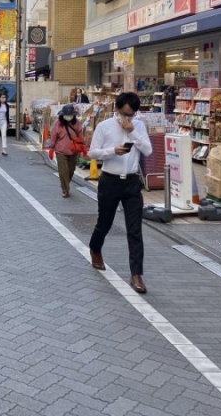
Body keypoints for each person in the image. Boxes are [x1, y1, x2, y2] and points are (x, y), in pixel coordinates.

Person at [87, 92, 153, 294]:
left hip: (132, 182)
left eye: (131, 114)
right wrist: (112, 151)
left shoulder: (139, 126)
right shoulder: (104, 127)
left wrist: (132, 131)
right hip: (110, 180)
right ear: (116, 109)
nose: (127, 118)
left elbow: (148, 151)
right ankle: (95, 248)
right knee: (104, 222)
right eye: (124, 113)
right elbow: (92, 152)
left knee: (134, 230)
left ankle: (136, 274)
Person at [48, 104, 84, 197]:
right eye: (66, 115)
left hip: (73, 151)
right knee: (63, 170)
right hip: (61, 151)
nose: (68, 117)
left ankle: (64, 184)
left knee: (71, 170)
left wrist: (83, 148)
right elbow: (53, 136)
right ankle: (65, 189)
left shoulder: (77, 123)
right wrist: (51, 148)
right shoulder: (58, 123)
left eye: (70, 115)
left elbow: (81, 136)